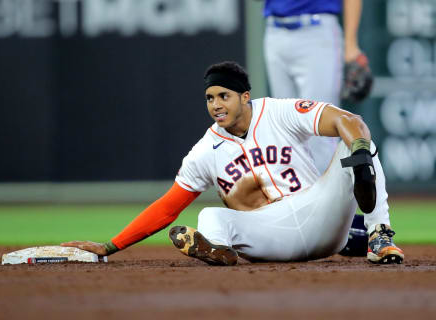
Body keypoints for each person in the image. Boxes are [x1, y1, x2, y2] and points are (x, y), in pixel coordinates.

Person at [61, 61, 404, 266]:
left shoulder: (279, 112)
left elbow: (348, 119)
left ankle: (378, 235)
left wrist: (358, 149)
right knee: (209, 216)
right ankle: (220, 252)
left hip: (321, 217)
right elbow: (168, 208)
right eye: (209, 98)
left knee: (359, 142)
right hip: (271, 235)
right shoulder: (205, 151)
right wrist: (109, 246)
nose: (215, 105)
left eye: (223, 96)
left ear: (244, 96)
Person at [263, 0, 365, 174]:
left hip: (316, 30)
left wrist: (351, 44)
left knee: (320, 130)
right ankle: (295, 197)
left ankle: (331, 199)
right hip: (275, 30)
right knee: (284, 131)